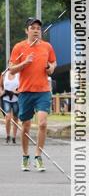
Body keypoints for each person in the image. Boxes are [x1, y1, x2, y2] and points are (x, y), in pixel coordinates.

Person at [8, 18, 56, 171]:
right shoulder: (19, 47)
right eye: (32, 28)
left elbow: (53, 64)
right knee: (26, 126)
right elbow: (11, 69)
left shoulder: (47, 47)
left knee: (42, 123)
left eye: (38, 28)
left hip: (42, 91)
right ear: (26, 30)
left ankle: (38, 156)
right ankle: (25, 155)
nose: (36, 30)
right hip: (25, 91)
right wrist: (24, 63)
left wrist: (50, 68)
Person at [1, 68, 19, 144]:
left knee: (15, 118)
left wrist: (17, 91)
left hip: (16, 99)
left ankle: (14, 137)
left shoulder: (19, 74)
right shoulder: (4, 74)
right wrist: (2, 92)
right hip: (6, 98)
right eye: (11, 64)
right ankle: (8, 135)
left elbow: (23, 86)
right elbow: (0, 85)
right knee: (8, 117)